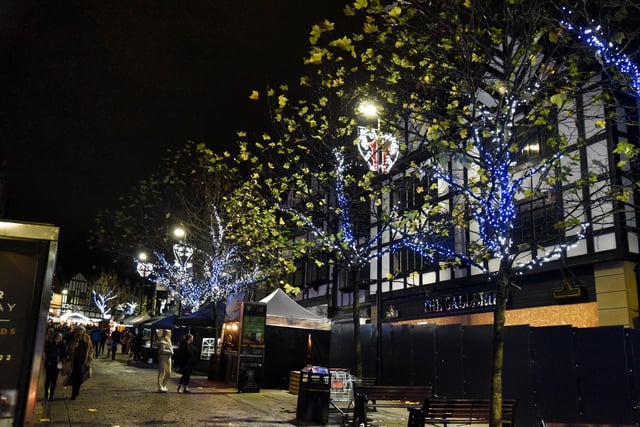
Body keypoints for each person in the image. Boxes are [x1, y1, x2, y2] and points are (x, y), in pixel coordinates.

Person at [66, 325, 93, 400]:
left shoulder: (87, 338)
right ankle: (73, 393)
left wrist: (90, 355)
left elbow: (91, 348)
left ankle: (77, 390)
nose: (80, 331)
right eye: (78, 330)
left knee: (81, 376)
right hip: (75, 359)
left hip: (83, 359)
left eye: (81, 330)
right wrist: (73, 347)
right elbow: (69, 348)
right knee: (75, 376)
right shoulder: (74, 338)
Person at [43, 332, 66, 401]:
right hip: (49, 364)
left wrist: (61, 357)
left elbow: (64, 353)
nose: (59, 338)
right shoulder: (49, 343)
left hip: (57, 364)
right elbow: (47, 352)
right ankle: (46, 394)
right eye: (57, 337)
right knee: (48, 379)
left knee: (54, 380)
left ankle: (51, 396)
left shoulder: (62, 344)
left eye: (60, 337)